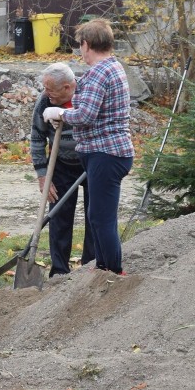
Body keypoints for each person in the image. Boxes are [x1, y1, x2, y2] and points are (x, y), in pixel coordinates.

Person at [43, 19, 133, 275]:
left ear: (87, 44)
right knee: (97, 216)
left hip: (106, 154)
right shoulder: (113, 67)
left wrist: (60, 113)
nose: (80, 51)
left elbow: (86, 115)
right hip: (109, 153)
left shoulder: (100, 72)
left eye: (80, 45)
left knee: (102, 219)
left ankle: (113, 271)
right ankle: (102, 267)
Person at [30, 62, 93, 277]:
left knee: (94, 215)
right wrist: (42, 175)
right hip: (61, 164)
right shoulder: (44, 101)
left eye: (51, 89)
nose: (47, 93)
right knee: (59, 216)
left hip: (90, 161)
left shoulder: (87, 95)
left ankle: (90, 266)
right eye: (45, 88)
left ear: (67, 87)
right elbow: (37, 137)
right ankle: (59, 270)